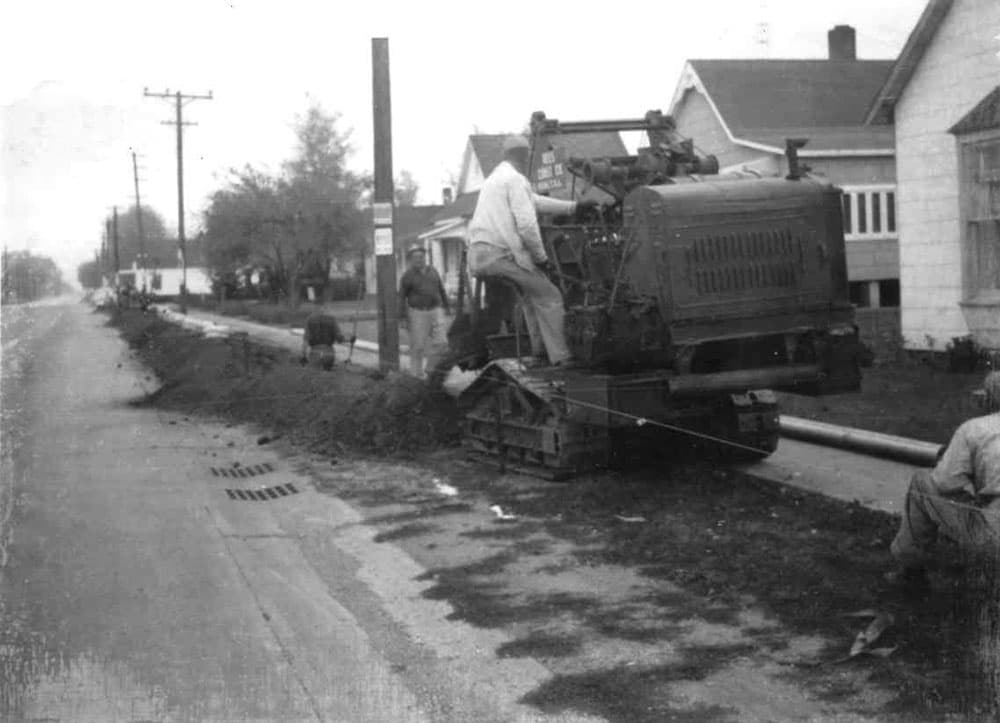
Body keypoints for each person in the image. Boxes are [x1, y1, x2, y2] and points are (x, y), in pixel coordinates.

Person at [467, 134, 596, 365]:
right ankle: (562, 358)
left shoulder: (496, 178)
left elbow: (533, 200)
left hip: (479, 254)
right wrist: (542, 258)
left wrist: (574, 207)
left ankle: (540, 353)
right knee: (550, 295)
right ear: (524, 155)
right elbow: (527, 224)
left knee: (530, 294)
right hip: (500, 253)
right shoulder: (515, 179)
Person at [889, 371, 1000, 588]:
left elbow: (945, 482)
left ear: (989, 398)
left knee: (922, 481)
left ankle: (911, 571)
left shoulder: (974, 428)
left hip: (995, 535)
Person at [398, 246, 449, 377]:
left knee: (442, 342)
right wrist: (402, 316)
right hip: (418, 313)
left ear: (425, 257)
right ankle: (416, 375)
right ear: (411, 260)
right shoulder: (408, 275)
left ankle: (431, 369)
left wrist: (447, 306)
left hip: (436, 310)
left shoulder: (433, 271)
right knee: (418, 346)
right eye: (415, 258)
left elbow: (441, 289)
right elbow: (401, 296)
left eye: (421, 257)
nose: (418, 260)